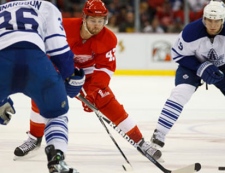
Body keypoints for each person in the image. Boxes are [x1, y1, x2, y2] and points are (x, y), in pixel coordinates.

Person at [14, 0, 162, 162]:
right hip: (58, 66)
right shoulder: (62, 27)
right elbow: (45, 50)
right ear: (84, 17)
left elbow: (104, 69)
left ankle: (140, 141)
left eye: (101, 21)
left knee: (106, 100)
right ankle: (34, 138)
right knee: (40, 94)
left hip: (88, 73)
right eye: (93, 20)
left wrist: (93, 92)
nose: (97, 25)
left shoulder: (108, 38)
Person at [0, 0, 85, 173]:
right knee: (57, 114)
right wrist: (69, 76)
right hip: (36, 64)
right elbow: (58, 48)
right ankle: (56, 160)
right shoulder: (45, 6)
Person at [150, 0, 225, 149]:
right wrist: (201, 67)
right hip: (192, 66)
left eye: (217, 21)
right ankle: (158, 137)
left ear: (223, 20)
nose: (213, 25)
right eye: (209, 20)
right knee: (180, 92)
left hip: (222, 67)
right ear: (204, 18)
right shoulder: (191, 31)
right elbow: (178, 55)